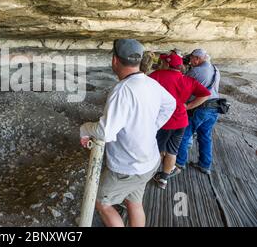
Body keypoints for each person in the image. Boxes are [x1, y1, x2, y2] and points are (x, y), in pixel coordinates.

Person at [80, 39, 176, 227]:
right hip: (149, 161)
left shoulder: (122, 89)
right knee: (134, 202)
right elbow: (171, 104)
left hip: (128, 166)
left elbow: (106, 132)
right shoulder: (150, 83)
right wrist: (151, 126)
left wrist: (84, 128)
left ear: (115, 60)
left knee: (102, 202)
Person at [149, 53, 211, 189]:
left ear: (167, 63)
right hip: (181, 121)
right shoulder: (188, 80)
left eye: (162, 62)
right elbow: (206, 94)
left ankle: (149, 174)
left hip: (163, 120)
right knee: (172, 150)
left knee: (157, 149)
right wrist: (188, 106)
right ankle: (163, 179)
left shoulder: (158, 75)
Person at [175, 49, 221, 175]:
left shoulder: (196, 71)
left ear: (197, 59)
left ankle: (179, 162)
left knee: (185, 134)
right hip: (215, 107)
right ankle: (204, 165)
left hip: (200, 107)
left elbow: (183, 84)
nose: (190, 61)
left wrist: (188, 105)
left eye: (191, 59)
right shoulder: (216, 70)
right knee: (205, 137)